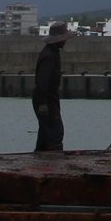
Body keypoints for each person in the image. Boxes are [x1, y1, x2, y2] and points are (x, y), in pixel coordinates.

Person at [32, 23, 69, 152]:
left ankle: (39, 160)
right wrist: (43, 104)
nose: (65, 41)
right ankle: (54, 164)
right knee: (55, 133)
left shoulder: (53, 53)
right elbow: (42, 82)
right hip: (46, 100)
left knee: (44, 134)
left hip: (49, 99)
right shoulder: (48, 56)